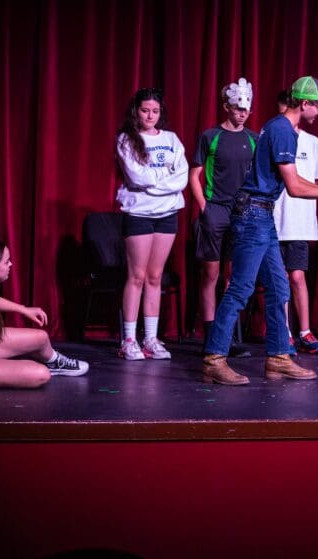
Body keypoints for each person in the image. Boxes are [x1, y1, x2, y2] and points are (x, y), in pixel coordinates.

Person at [202, 76, 318, 385]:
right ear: (304, 104)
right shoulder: (282, 131)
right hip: (253, 215)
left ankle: (278, 357)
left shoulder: (279, 128)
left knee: (279, 287)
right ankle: (214, 358)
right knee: (240, 289)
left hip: (262, 215)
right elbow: (294, 186)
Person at [115, 87, 188, 361]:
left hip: (167, 212)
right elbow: (137, 177)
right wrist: (163, 180)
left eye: (155, 111)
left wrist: (157, 182)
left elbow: (181, 177)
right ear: (136, 111)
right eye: (146, 110)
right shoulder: (126, 140)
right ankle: (129, 339)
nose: (150, 115)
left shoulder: (171, 139)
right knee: (137, 276)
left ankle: (150, 338)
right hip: (139, 213)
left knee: (155, 277)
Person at [0, 239, 89, 399]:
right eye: (6, 262)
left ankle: (56, 363)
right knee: (41, 375)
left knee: (41, 338)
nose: (11, 265)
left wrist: (23, 309)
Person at [190, 77, 257, 358]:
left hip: (242, 213)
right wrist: (205, 207)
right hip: (215, 210)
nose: (243, 112)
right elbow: (195, 175)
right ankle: (209, 336)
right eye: (237, 107)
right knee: (211, 274)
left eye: (247, 108)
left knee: (233, 277)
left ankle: (225, 336)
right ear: (226, 107)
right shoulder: (211, 136)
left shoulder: (254, 139)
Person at [273, 89, 318, 355]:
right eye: (317, 106)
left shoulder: (314, 143)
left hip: (299, 221)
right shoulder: (274, 134)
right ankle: (285, 333)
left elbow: (311, 183)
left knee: (297, 276)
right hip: (274, 219)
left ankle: (305, 331)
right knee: (280, 279)